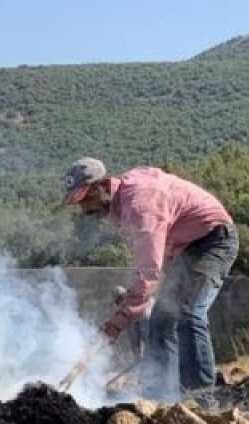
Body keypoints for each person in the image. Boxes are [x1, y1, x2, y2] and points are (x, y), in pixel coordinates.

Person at [61, 157, 238, 401]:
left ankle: (201, 399)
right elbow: (147, 262)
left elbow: (148, 273)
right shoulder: (126, 197)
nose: (85, 209)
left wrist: (114, 326)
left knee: (187, 312)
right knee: (162, 320)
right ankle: (160, 398)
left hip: (213, 240)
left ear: (100, 186)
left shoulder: (140, 205)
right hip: (187, 248)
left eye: (85, 200)